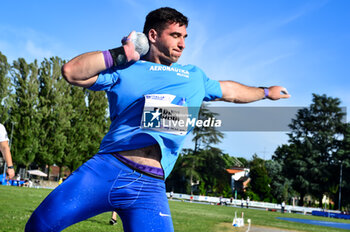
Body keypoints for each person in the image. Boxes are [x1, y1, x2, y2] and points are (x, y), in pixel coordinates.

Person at [25, 7, 289, 232]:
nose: (182, 43)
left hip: (149, 187)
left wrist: (265, 92)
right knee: (39, 226)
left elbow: (230, 92)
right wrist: (120, 53)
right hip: (107, 169)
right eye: (175, 35)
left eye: (185, 36)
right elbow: (71, 72)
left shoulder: (194, 76)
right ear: (152, 35)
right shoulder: (126, 69)